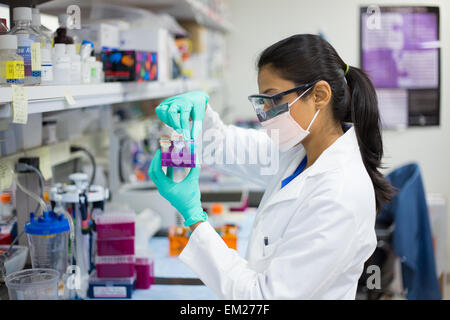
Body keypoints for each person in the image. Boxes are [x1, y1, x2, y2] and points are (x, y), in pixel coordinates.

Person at [148, 34, 394, 299]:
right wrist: (199, 113)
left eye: (274, 99)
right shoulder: (300, 151)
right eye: (262, 102)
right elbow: (222, 145)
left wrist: (194, 218)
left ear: (320, 95)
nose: (265, 114)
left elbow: (264, 298)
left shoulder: (340, 194)